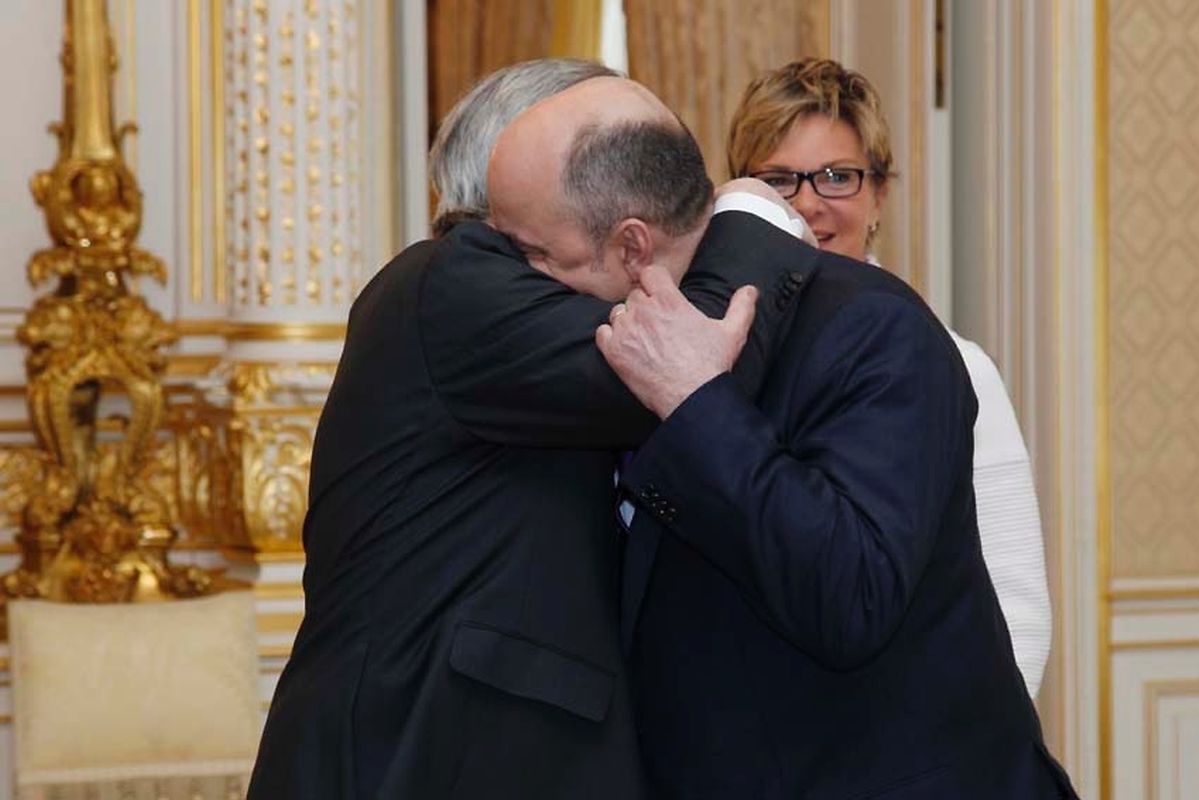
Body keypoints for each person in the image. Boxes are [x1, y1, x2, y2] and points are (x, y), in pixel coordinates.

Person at [485, 81, 1081, 800]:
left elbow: (850, 594)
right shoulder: (618, 355)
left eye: (537, 255)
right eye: (780, 178)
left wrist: (696, 403)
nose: (522, 284)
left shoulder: (876, 329)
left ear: (632, 244)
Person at [247, 60, 802, 800]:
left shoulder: (488, 289)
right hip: (416, 753)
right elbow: (693, 357)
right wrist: (748, 215)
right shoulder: (453, 282)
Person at [726, 57, 1052, 697]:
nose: (808, 203)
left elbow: (1016, 608)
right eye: (779, 180)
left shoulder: (955, 364)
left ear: (879, 196)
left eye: (837, 177)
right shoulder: (708, 363)